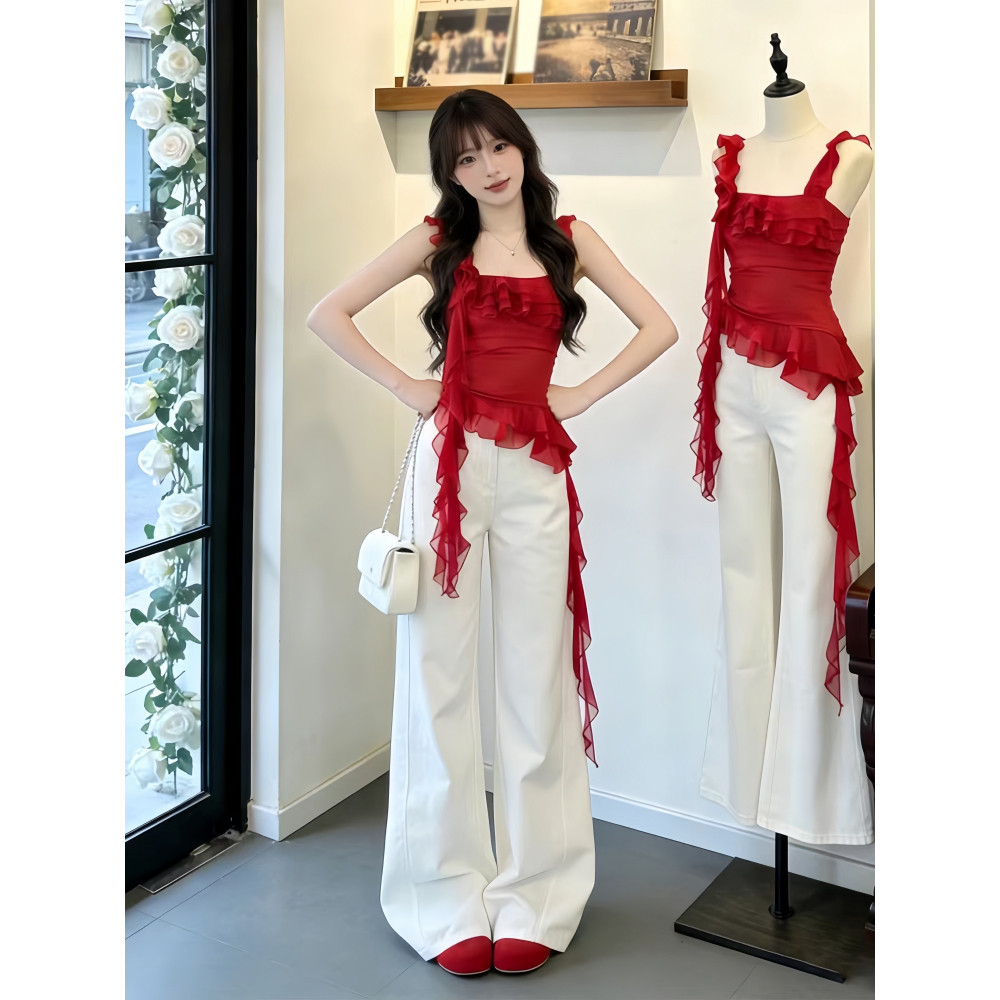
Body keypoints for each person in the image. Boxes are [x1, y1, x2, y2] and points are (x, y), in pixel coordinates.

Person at [307, 89, 677, 977]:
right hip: (451, 468)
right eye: (465, 158)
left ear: (523, 147)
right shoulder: (439, 240)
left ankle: (538, 895)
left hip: (538, 469)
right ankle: (438, 898)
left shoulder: (570, 241)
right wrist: (410, 387)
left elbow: (661, 326)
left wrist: (580, 395)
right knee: (437, 676)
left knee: (535, 678)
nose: (488, 168)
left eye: (498, 147)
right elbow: (328, 313)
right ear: (451, 174)